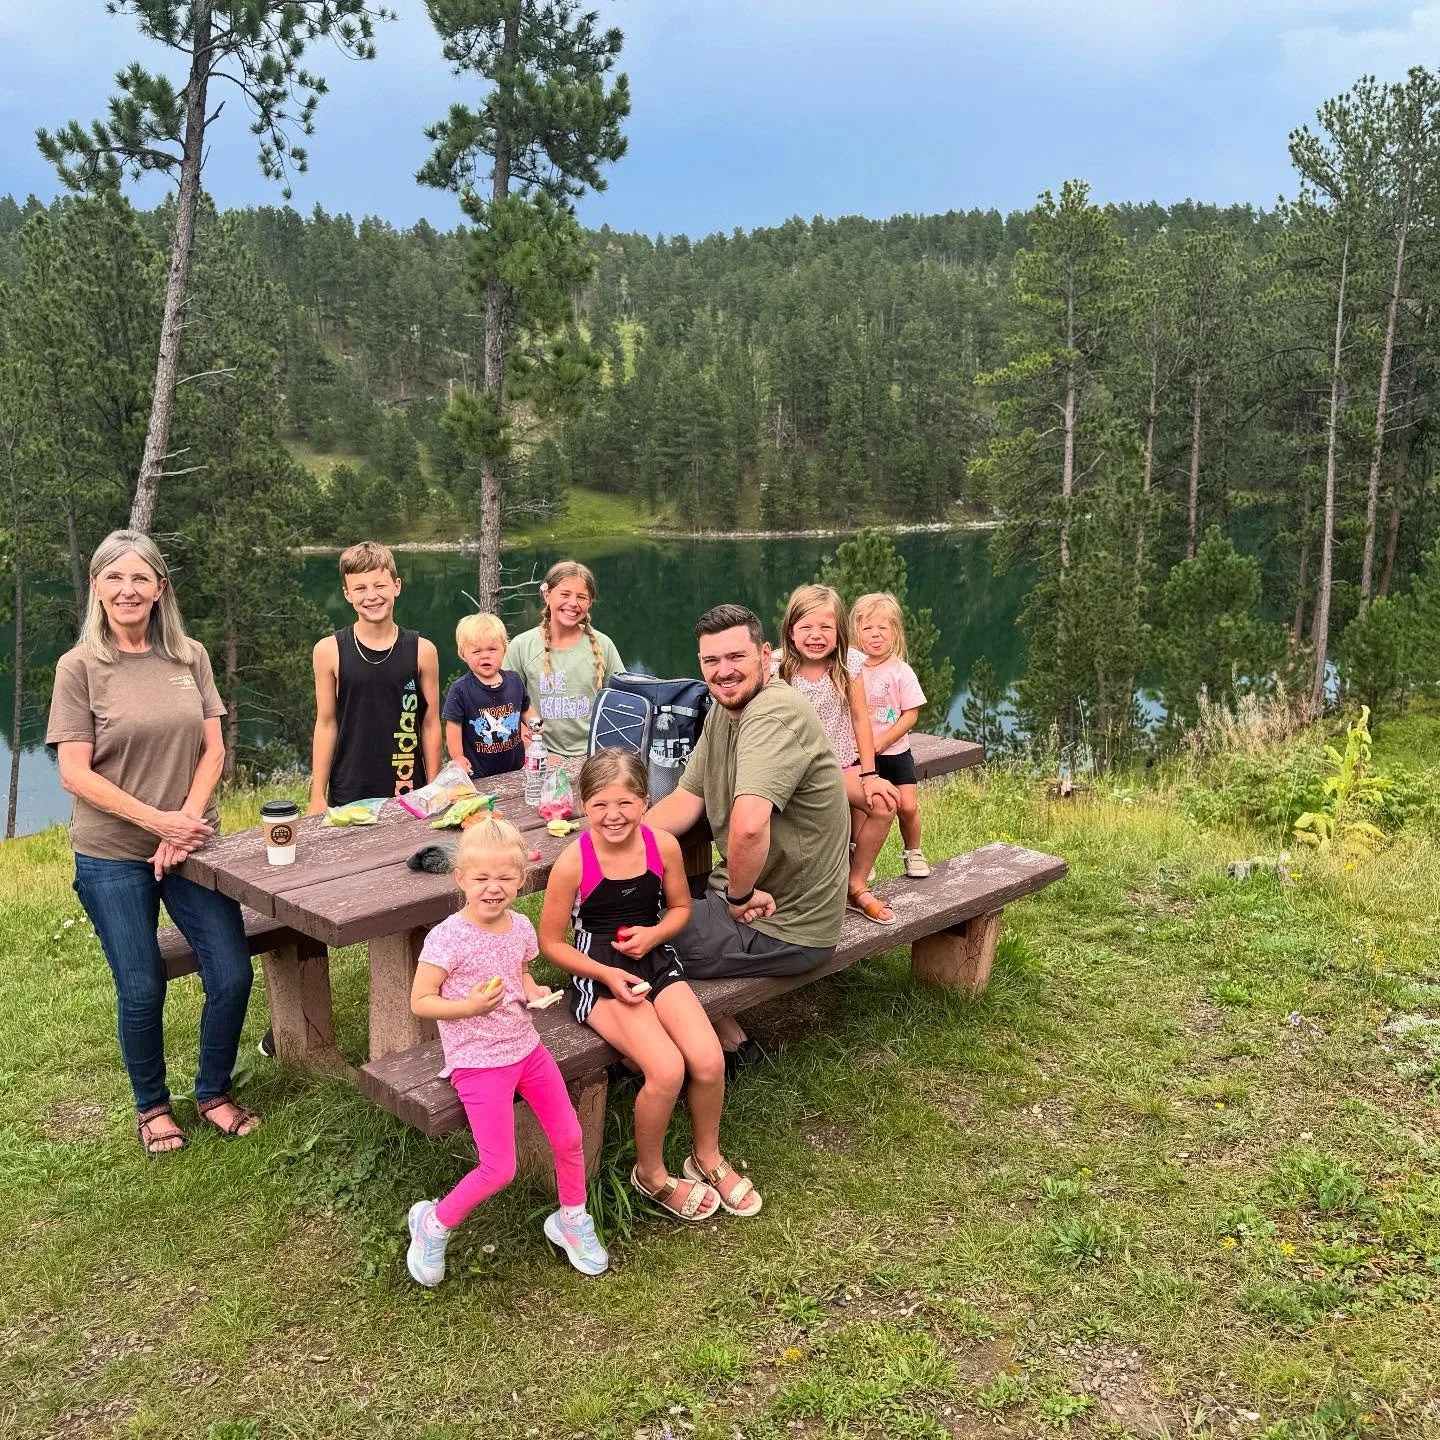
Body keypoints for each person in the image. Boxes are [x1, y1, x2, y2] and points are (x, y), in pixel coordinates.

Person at [46, 530, 259, 1153]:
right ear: (97, 588)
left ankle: (213, 1091)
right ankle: (153, 1107)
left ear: (160, 588)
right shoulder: (79, 667)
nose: (128, 589)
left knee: (232, 972)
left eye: (141, 578)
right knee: (141, 984)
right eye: (114, 578)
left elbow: (213, 748)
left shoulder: (189, 656)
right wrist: (157, 824)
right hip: (112, 853)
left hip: (190, 844)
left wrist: (183, 823)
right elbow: (75, 773)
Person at [540, 750, 762, 1222]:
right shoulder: (573, 862)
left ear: (644, 801)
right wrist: (605, 974)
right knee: (665, 1069)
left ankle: (706, 1156)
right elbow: (550, 943)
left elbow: (680, 909)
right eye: (599, 804)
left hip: (655, 958)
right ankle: (652, 1174)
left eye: (624, 803)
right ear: (582, 805)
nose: (612, 815)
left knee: (706, 1058)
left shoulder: (662, 846)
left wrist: (654, 936)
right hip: (597, 972)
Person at [404, 815, 609, 1287]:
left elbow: (521, 974)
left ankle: (571, 1220)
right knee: (499, 1168)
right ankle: (433, 1224)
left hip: (528, 1051)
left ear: (522, 879)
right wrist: (469, 1005)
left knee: (570, 1136)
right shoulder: (447, 936)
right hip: (477, 1064)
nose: (492, 888)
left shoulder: (519, 926)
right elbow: (421, 1001)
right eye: (481, 878)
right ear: (461, 879)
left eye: (504, 877)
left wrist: (534, 991)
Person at [648, 604, 850, 1059]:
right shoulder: (726, 709)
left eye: (736, 657)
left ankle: (712, 1054)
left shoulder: (773, 714)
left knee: (621, 939)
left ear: (765, 655)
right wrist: (608, 843)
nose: (723, 672)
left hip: (784, 923)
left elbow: (749, 826)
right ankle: (729, 1040)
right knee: (627, 905)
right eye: (711, 661)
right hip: (744, 902)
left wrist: (738, 899)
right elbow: (685, 800)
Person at [777, 583, 901, 925]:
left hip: (839, 766)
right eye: (806, 627)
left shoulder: (849, 664)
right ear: (790, 630)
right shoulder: (778, 669)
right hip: (793, 771)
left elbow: (861, 719)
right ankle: (796, 892)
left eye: (825, 627)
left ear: (839, 631)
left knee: (885, 803)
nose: (816, 636)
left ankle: (855, 883)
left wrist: (870, 774)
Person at [306, 540, 441, 815]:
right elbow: (326, 723)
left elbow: (429, 723)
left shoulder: (423, 651)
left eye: (380, 585)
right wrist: (317, 794)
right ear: (347, 594)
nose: (372, 596)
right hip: (348, 789)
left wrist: (434, 785)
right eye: (360, 588)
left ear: (397, 586)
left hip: (407, 787)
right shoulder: (328, 651)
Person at [503, 561, 623, 758]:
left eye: (582, 597)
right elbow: (506, 707)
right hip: (539, 757)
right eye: (565, 594)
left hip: (596, 757)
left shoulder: (603, 645)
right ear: (547, 595)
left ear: (590, 602)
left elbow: (622, 703)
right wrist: (534, 750)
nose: (573, 603)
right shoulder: (522, 646)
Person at [850, 593, 929, 879]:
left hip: (895, 753)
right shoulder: (851, 668)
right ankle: (861, 858)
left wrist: (882, 742)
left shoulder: (901, 670)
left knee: (907, 806)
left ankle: (913, 851)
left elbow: (911, 714)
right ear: (855, 632)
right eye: (868, 628)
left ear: (895, 631)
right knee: (862, 808)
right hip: (860, 756)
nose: (875, 635)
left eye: (883, 628)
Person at [441, 612, 538, 779]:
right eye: (476, 651)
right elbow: (453, 726)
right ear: (464, 654)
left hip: (517, 768)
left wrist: (536, 725)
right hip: (479, 772)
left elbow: (525, 709)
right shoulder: (460, 689)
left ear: (504, 649)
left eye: (492, 649)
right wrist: (457, 757)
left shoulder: (514, 680)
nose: (485, 655)